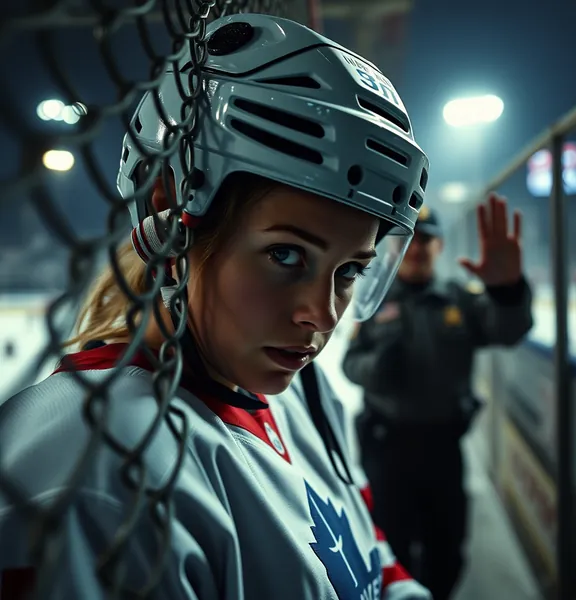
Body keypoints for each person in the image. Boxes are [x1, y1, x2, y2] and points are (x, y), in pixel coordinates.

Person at [0, 13, 433, 600]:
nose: (322, 315)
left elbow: (370, 558)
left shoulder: (304, 392)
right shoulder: (90, 473)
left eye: (350, 270)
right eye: (286, 255)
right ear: (170, 210)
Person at [342, 201, 534, 600]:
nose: (418, 248)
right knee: (390, 547)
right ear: (395, 248)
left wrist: (508, 290)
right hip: (387, 448)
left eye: (428, 240)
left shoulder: (458, 299)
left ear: (440, 247)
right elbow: (350, 362)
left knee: (447, 551)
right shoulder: (372, 300)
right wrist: (375, 368)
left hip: (443, 448)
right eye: (411, 239)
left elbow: (507, 330)